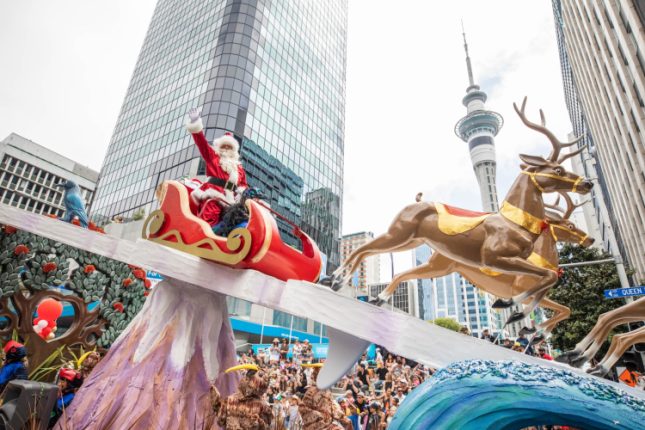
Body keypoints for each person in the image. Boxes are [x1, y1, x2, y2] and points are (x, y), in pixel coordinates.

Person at [184, 108, 248, 227]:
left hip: (231, 199)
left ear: (234, 150)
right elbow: (202, 143)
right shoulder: (213, 157)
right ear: (219, 147)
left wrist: (242, 195)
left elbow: (244, 186)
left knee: (234, 222)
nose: (226, 149)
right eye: (224, 146)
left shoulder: (239, 168)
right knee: (209, 220)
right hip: (213, 192)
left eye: (229, 147)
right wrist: (195, 123)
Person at [210, 363, 273, 429]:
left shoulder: (262, 406)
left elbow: (268, 426)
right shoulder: (230, 400)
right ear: (247, 379)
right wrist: (216, 403)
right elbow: (221, 420)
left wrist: (258, 422)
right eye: (260, 375)